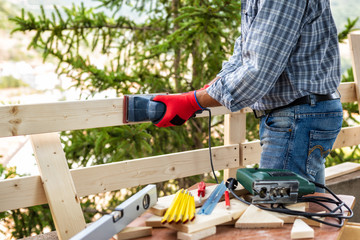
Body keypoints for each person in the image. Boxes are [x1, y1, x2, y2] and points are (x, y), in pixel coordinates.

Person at [152, 0, 343, 192]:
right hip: (303, 113)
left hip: (298, 118)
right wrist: (209, 89)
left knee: (279, 214)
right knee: (309, 209)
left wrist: (192, 102)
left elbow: (258, 72)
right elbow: (245, 52)